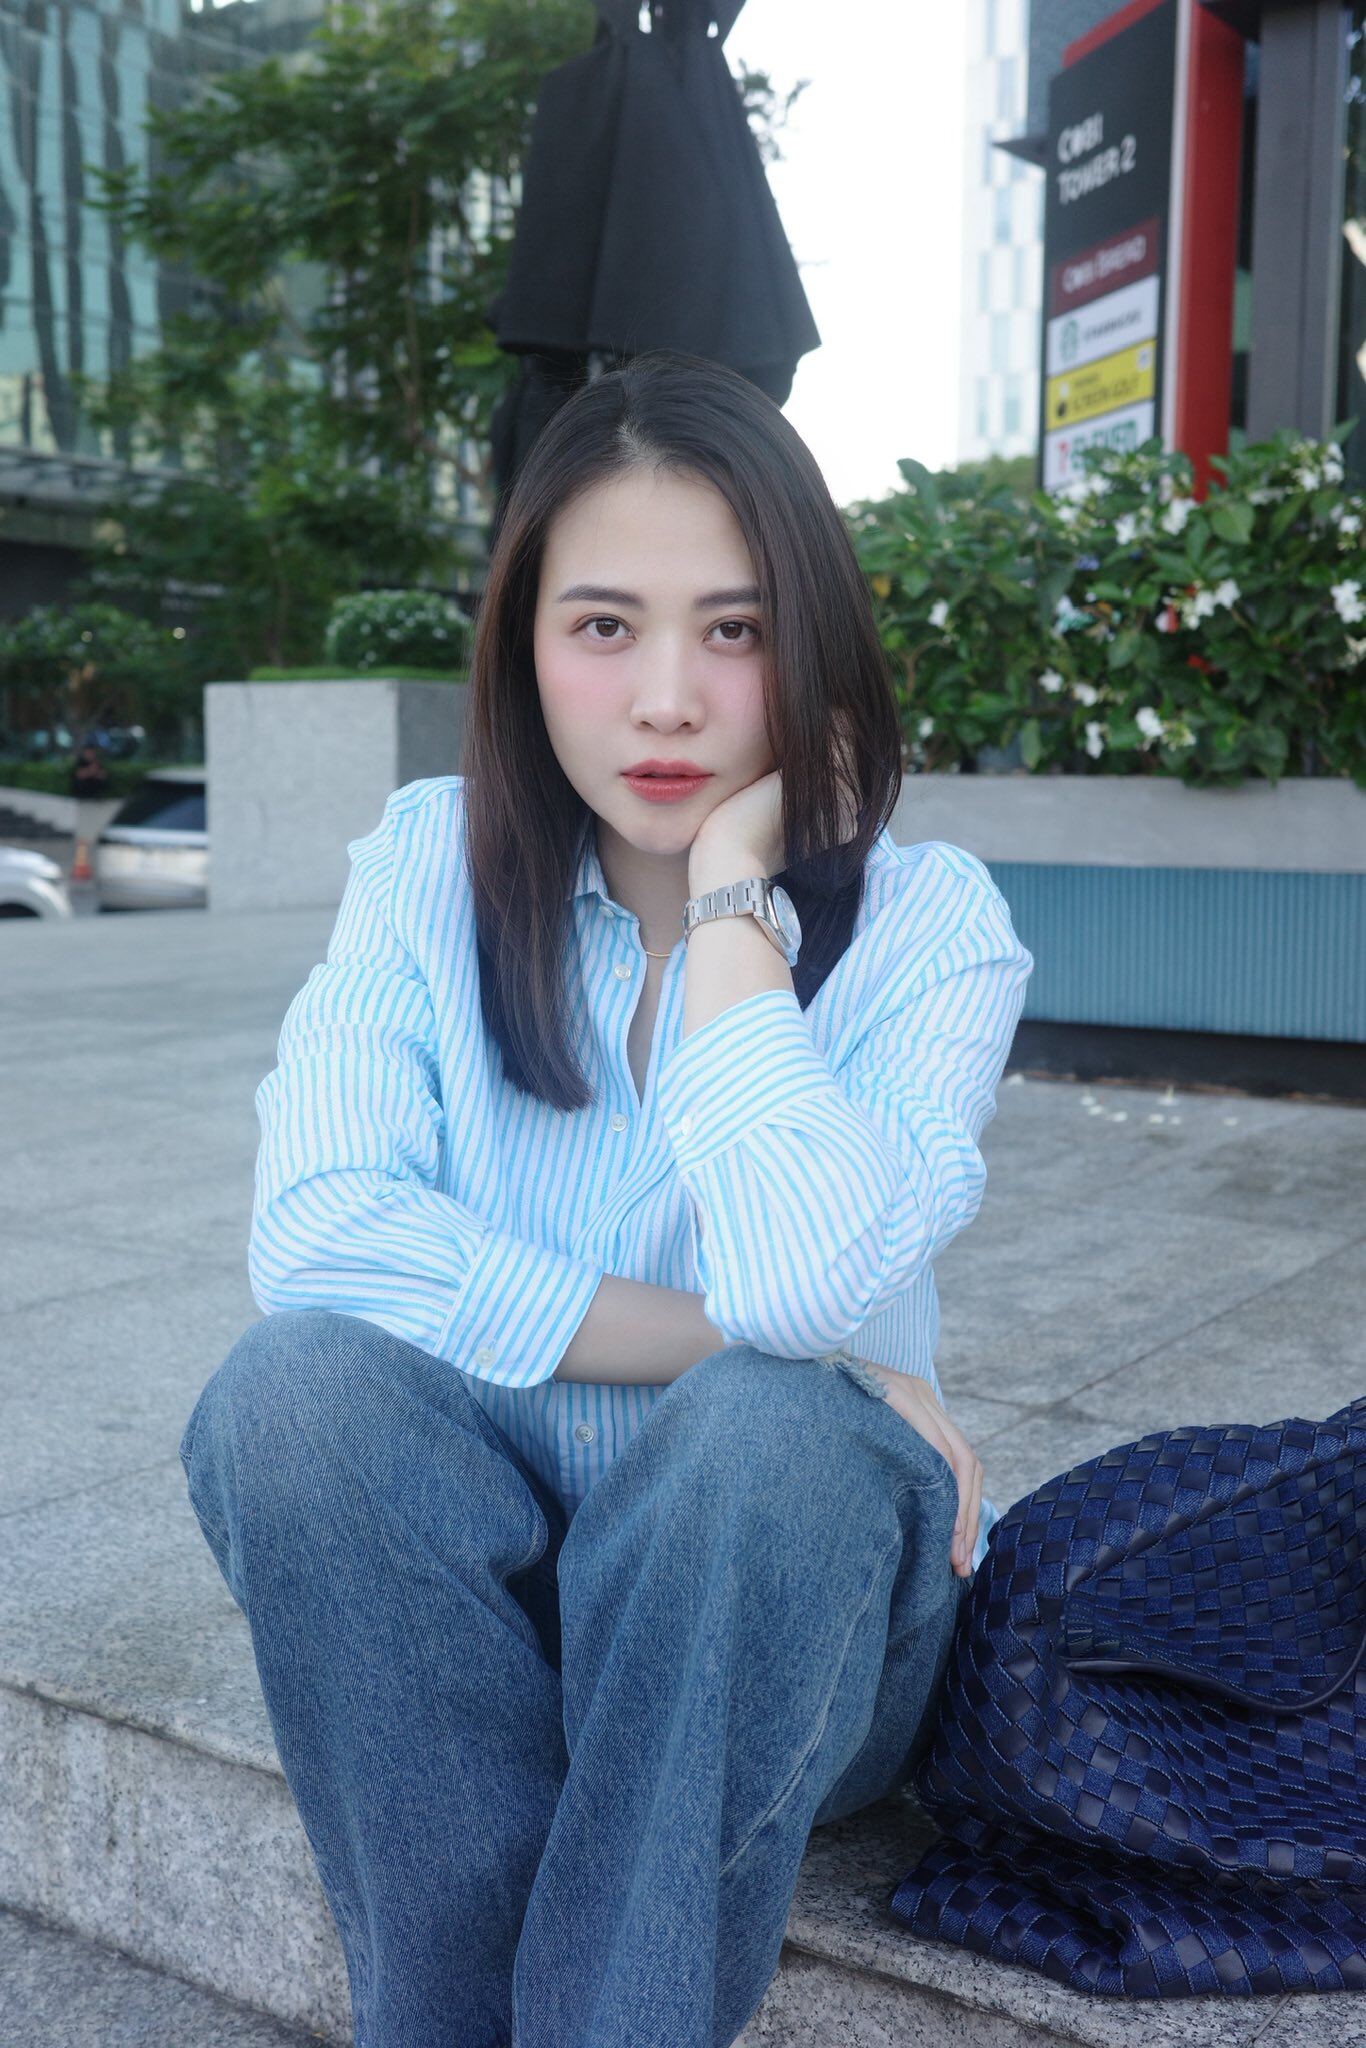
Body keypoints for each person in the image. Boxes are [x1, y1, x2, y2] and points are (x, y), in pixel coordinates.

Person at [178, 351, 1035, 2048]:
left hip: (787, 1636)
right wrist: (801, 1357)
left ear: (814, 646)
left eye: (734, 630)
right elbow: (318, 1231)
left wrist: (732, 904)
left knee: (765, 1436)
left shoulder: (933, 927)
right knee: (294, 1395)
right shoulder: (427, 864)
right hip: (489, 1619)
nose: (665, 701)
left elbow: (799, 1286)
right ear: (522, 646)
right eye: (602, 626)